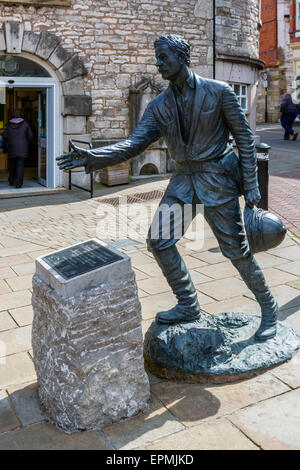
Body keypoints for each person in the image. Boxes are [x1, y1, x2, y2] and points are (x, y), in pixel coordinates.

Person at [57, 34, 278, 341]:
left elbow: (244, 137)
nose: (158, 64)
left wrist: (252, 186)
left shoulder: (219, 92)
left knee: (237, 252)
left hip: (217, 181)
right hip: (183, 181)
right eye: (157, 58)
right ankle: (188, 304)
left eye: (163, 58)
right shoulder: (160, 105)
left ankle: (269, 310)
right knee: (159, 241)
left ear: (181, 57)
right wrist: (97, 157)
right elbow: (136, 143)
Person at [3, 109, 33, 188]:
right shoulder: (25, 124)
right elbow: (30, 136)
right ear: (21, 115)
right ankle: (18, 184)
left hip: (12, 147)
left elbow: (5, 136)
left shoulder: (8, 125)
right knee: (20, 165)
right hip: (22, 148)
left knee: (12, 165)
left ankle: (12, 181)